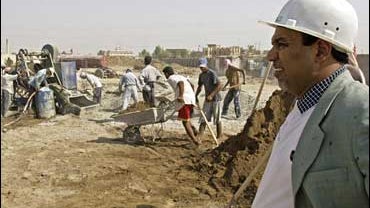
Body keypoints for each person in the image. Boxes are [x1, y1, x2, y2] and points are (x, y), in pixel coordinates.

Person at [252, 0, 369, 207]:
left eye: (282, 44)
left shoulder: (360, 111)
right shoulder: (303, 105)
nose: (270, 56)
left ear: (321, 51)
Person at [162, 66, 201, 146]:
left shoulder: (171, 78)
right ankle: (194, 130)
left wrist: (180, 95)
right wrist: (191, 95)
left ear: (166, 74)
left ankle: (195, 141)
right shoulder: (180, 76)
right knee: (187, 118)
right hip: (190, 99)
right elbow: (192, 85)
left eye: (165, 74)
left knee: (185, 122)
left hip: (184, 101)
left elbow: (180, 83)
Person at [195, 57, 223, 139]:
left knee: (217, 118)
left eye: (203, 67)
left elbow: (220, 85)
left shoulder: (212, 73)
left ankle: (219, 135)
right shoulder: (201, 75)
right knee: (204, 117)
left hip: (216, 99)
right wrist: (195, 95)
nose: (201, 68)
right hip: (207, 99)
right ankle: (200, 135)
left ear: (206, 65)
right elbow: (200, 86)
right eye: (200, 67)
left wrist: (212, 95)